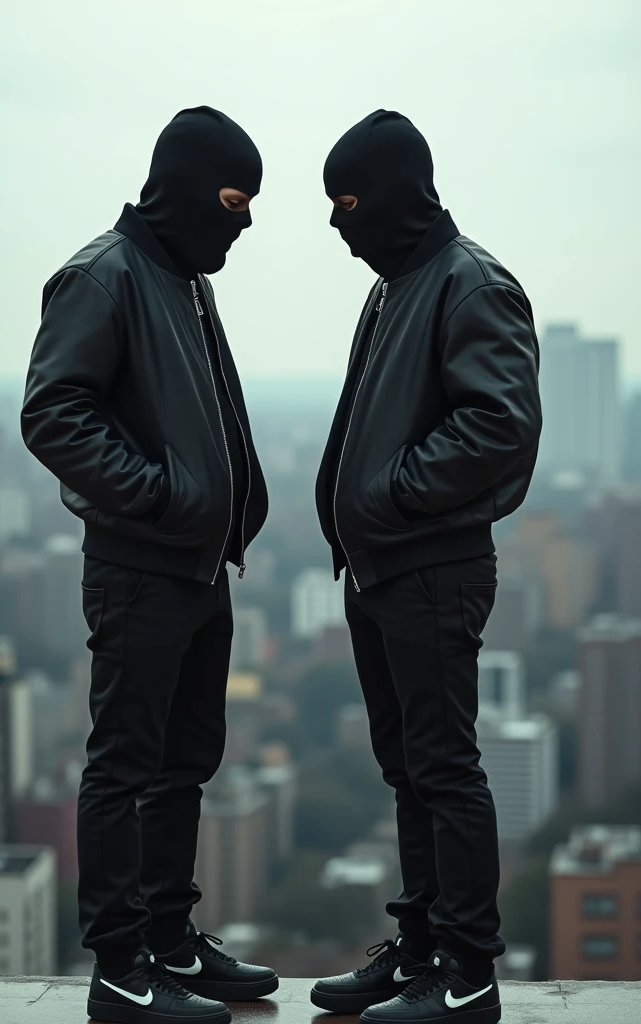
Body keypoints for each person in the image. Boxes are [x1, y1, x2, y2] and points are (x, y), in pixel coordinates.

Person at [22, 106, 278, 1024]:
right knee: (126, 765)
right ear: (185, 185)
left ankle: (171, 940)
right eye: (232, 200)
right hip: (139, 566)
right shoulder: (105, 275)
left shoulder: (180, 275)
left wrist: (213, 518)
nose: (241, 223)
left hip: (199, 568)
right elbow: (53, 412)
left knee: (184, 763)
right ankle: (122, 968)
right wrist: (162, 497)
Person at [311, 110, 541, 1024]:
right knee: (408, 772)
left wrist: (393, 494)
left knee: (445, 769)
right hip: (384, 570)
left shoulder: (470, 282)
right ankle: (421, 951)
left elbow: (499, 426)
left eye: (350, 201)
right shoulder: (400, 282)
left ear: (397, 192)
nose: (338, 225)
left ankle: (469, 973)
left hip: (433, 566)